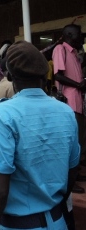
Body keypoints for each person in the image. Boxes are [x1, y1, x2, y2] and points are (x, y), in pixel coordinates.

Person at [0, 40, 80, 230]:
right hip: (58, 221)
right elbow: (72, 171)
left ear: (10, 76)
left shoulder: (2, 114)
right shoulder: (66, 112)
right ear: (43, 75)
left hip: (20, 225)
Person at [53, 24, 86, 194]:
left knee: (78, 141)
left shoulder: (74, 53)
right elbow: (58, 75)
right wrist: (79, 85)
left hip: (77, 102)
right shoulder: (61, 49)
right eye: (79, 34)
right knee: (69, 142)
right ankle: (68, 180)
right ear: (70, 34)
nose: (81, 37)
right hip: (69, 102)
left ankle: (76, 172)